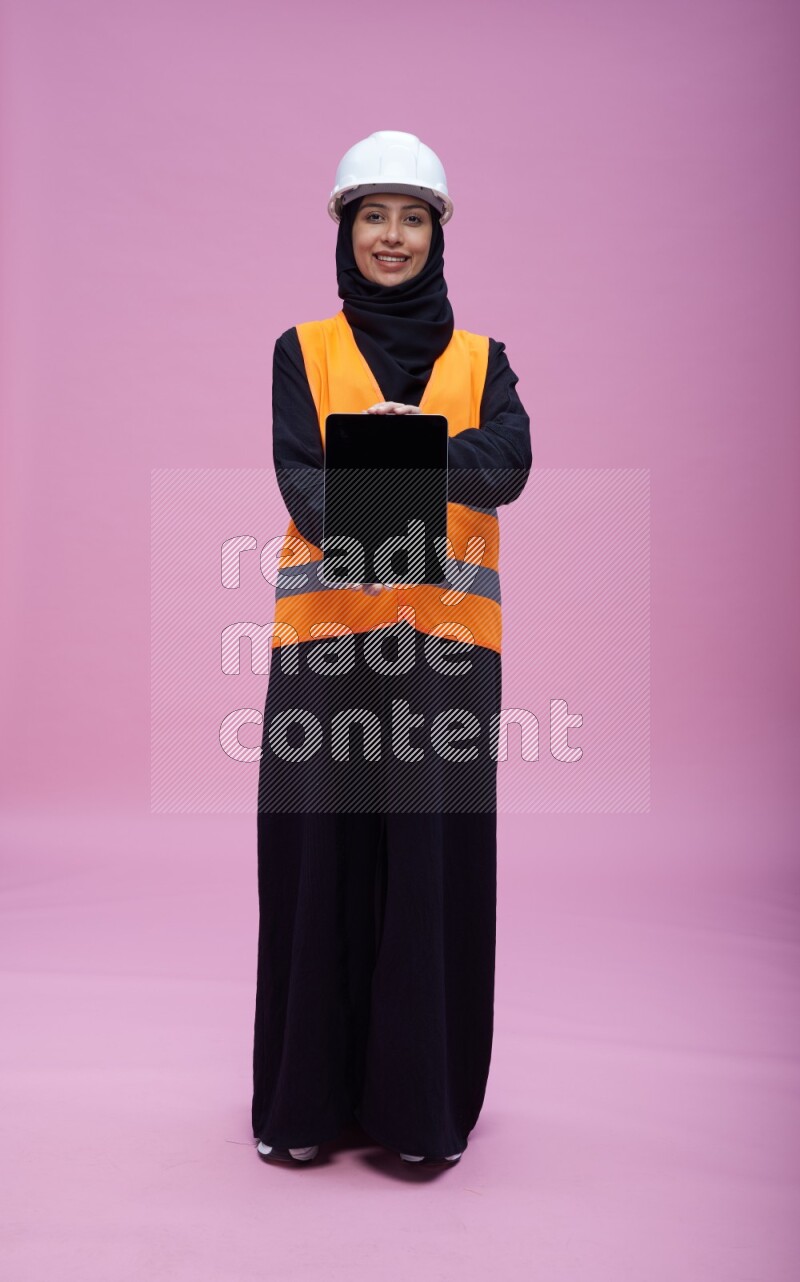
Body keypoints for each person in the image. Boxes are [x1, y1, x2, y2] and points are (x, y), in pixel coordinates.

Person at [252, 130, 532, 1168]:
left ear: (437, 235)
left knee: (429, 870)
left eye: (412, 217)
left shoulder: (483, 360)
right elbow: (303, 483)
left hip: (448, 651)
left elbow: (506, 464)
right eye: (373, 214)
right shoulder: (301, 351)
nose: (391, 236)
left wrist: (392, 440)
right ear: (344, 227)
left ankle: (422, 1116)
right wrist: (411, 462)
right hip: (325, 649)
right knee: (316, 864)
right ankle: (304, 1109)